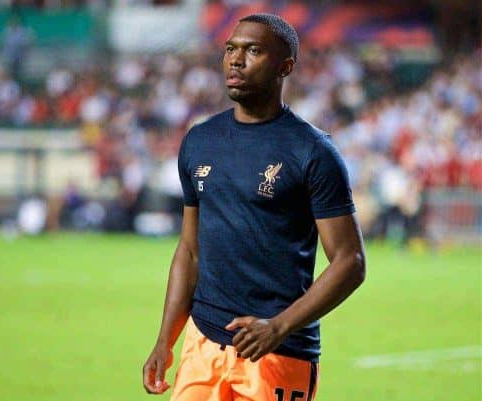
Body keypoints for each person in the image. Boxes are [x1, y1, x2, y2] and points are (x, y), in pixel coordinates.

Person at [142, 13, 366, 401]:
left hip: (278, 352)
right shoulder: (199, 141)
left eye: (253, 50)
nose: (235, 59)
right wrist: (166, 340)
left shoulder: (312, 151)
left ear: (286, 66)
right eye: (230, 49)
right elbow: (190, 251)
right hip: (203, 344)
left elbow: (351, 261)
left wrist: (278, 327)